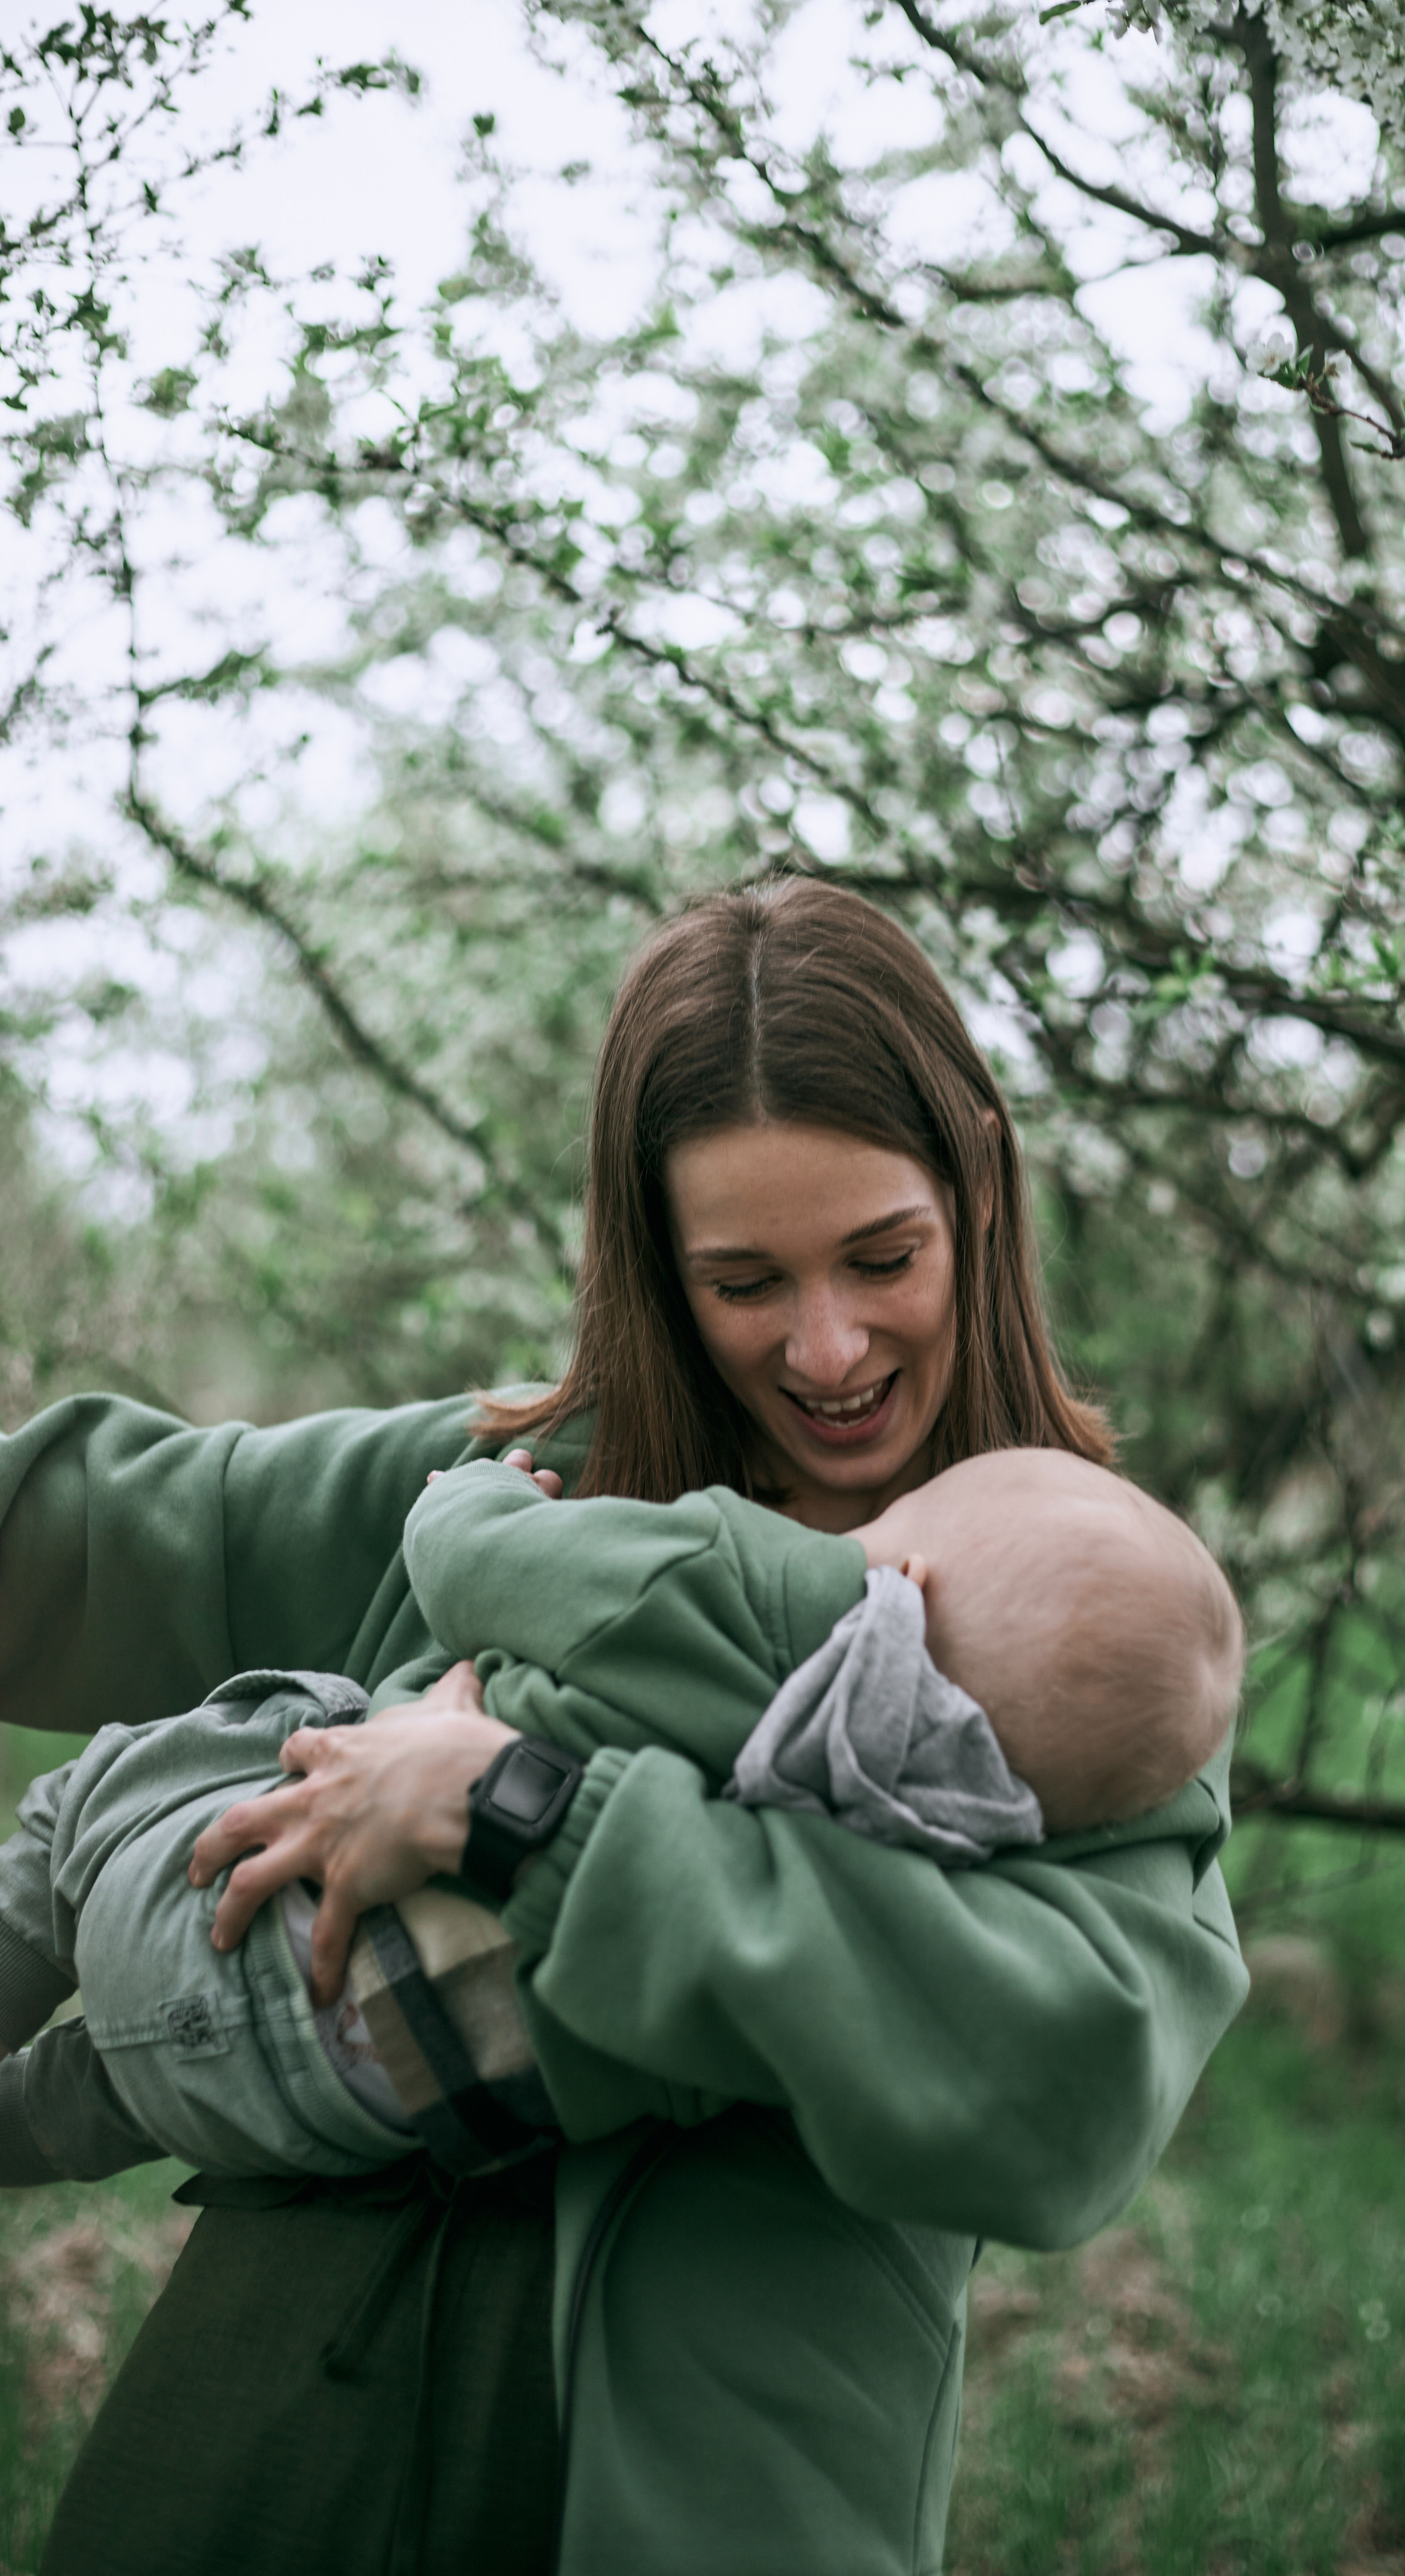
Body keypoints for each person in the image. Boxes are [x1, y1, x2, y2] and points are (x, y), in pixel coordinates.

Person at [1, 877, 1251, 2576]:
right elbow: (92, 1526)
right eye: (744, 1281)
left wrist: (520, 1812)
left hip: (713, 2508)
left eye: (882, 1256)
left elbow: (1055, 2084)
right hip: (272, 2438)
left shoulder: (1085, 1639)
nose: (828, 1347)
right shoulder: (531, 1491)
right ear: (653, 1262)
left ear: (977, 1182)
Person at [0, 1446, 1243, 2187]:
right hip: (354, 2106)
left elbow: (469, 1560)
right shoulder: (946, 1861)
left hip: (250, 1918)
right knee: (97, 2089)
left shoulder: (743, 1586)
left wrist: (479, 1492)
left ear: (903, 1574)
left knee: (101, 1800)